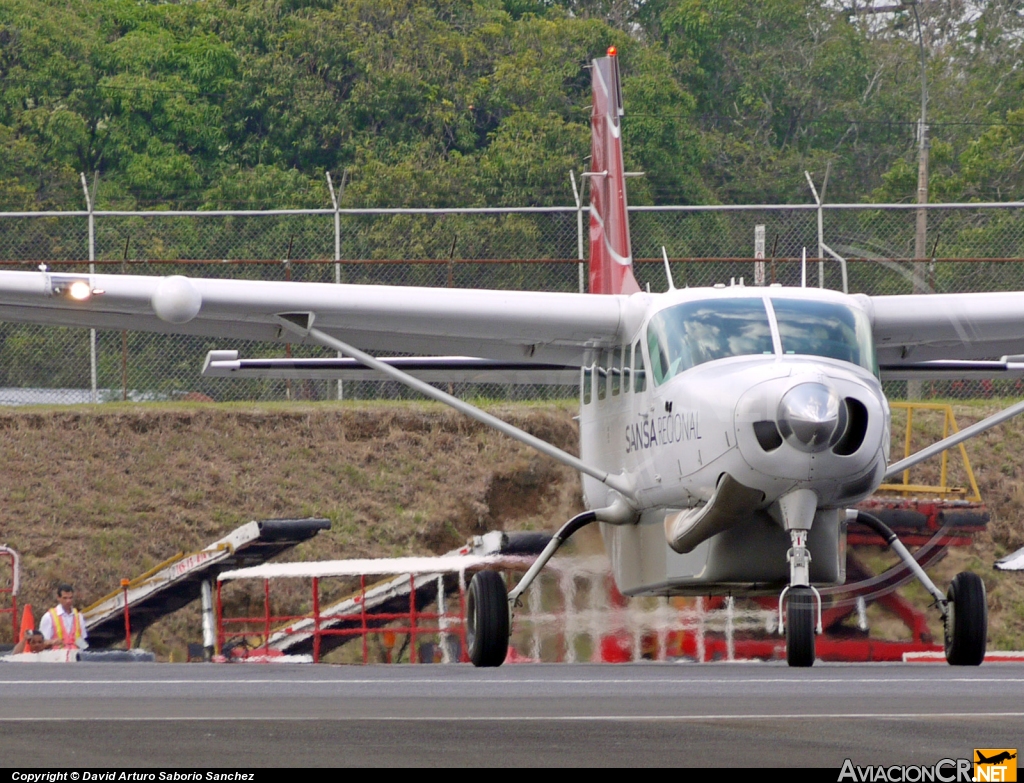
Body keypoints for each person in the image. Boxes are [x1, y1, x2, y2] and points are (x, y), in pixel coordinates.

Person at [39, 583, 88, 650]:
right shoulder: (49, 617)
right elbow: (41, 643)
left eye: (70, 598)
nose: (68, 601)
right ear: (58, 598)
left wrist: (85, 649)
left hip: (75, 657)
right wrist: (52, 642)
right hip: (56, 657)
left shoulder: (79, 616)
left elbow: (82, 639)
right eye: (65, 598)